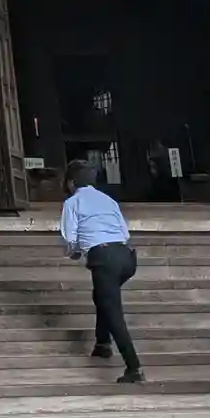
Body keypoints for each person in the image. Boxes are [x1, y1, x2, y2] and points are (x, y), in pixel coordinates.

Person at [60, 160, 144, 385]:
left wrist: (74, 253)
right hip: (127, 258)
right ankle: (102, 343)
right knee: (101, 296)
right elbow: (124, 233)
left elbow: (70, 239)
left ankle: (133, 367)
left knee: (113, 312)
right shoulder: (108, 200)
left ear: (71, 182)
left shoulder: (72, 202)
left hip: (104, 259)